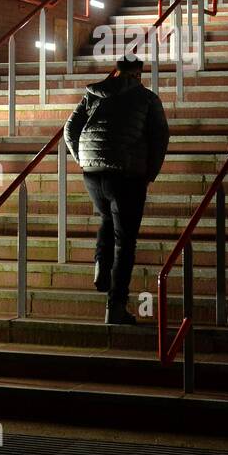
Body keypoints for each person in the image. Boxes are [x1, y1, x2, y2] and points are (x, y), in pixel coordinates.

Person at [64, 55, 170, 325]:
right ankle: (116, 306)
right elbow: (160, 137)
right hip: (127, 175)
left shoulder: (94, 94)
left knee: (106, 218)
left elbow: (70, 129)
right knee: (126, 242)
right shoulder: (147, 98)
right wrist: (150, 173)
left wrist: (82, 159)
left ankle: (101, 264)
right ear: (137, 74)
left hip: (93, 173)